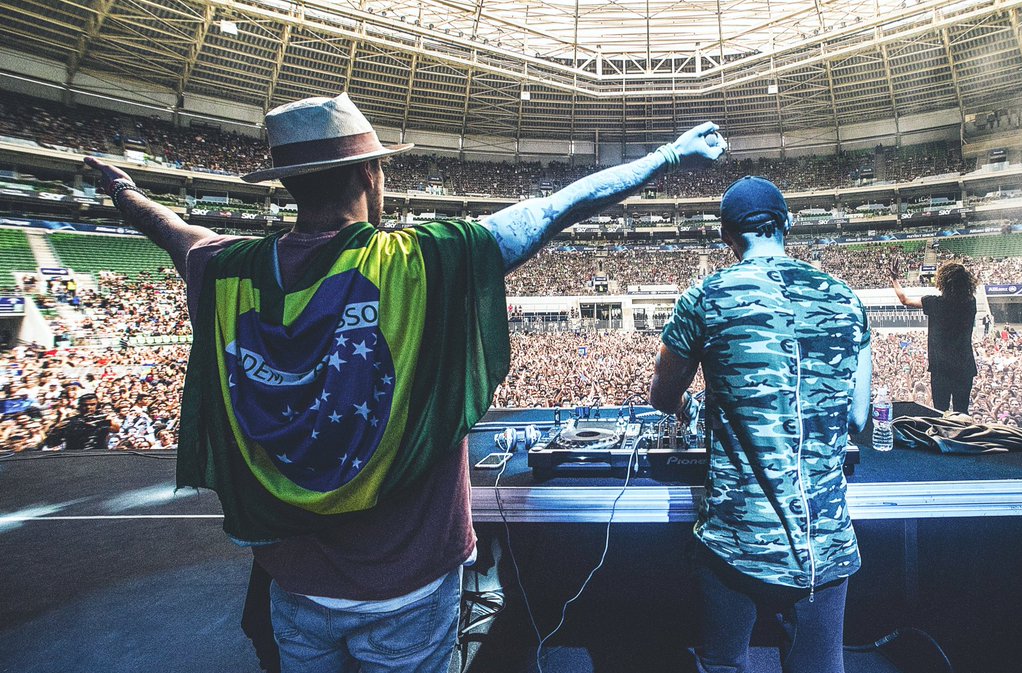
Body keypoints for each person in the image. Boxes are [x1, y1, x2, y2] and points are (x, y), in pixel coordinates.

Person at [85, 93, 726, 673]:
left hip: (294, 580)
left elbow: (169, 230)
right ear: (369, 173)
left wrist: (123, 191)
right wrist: (668, 156)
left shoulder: (228, 270)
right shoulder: (419, 262)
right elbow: (559, 206)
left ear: (288, 183)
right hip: (408, 583)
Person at [649, 177, 871, 673]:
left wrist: (691, 405)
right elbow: (859, 417)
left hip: (736, 538)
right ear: (787, 223)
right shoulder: (846, 298)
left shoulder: (705, 296)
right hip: (824, 541)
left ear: (726, 236)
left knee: (723, 664)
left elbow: (661, 395)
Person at [891, 261, 978, 414]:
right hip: (964, 365)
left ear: (943, 282)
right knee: (962, 411)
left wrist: (894, 279)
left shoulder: (934, 303)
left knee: (940, 411)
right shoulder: (971, 303)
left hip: (941, 367)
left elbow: (904, 300)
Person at [41, 393, 119, 451]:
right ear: (80, 406)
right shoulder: (69, 421)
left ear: (97, 405)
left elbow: (116, 429)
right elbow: (51, 443)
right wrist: (56, 429)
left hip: (98, 454)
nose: (88, 407)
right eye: (85, 405)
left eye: (92, 404)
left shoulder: (103, 418)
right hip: (76, 456)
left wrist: (102, 422)